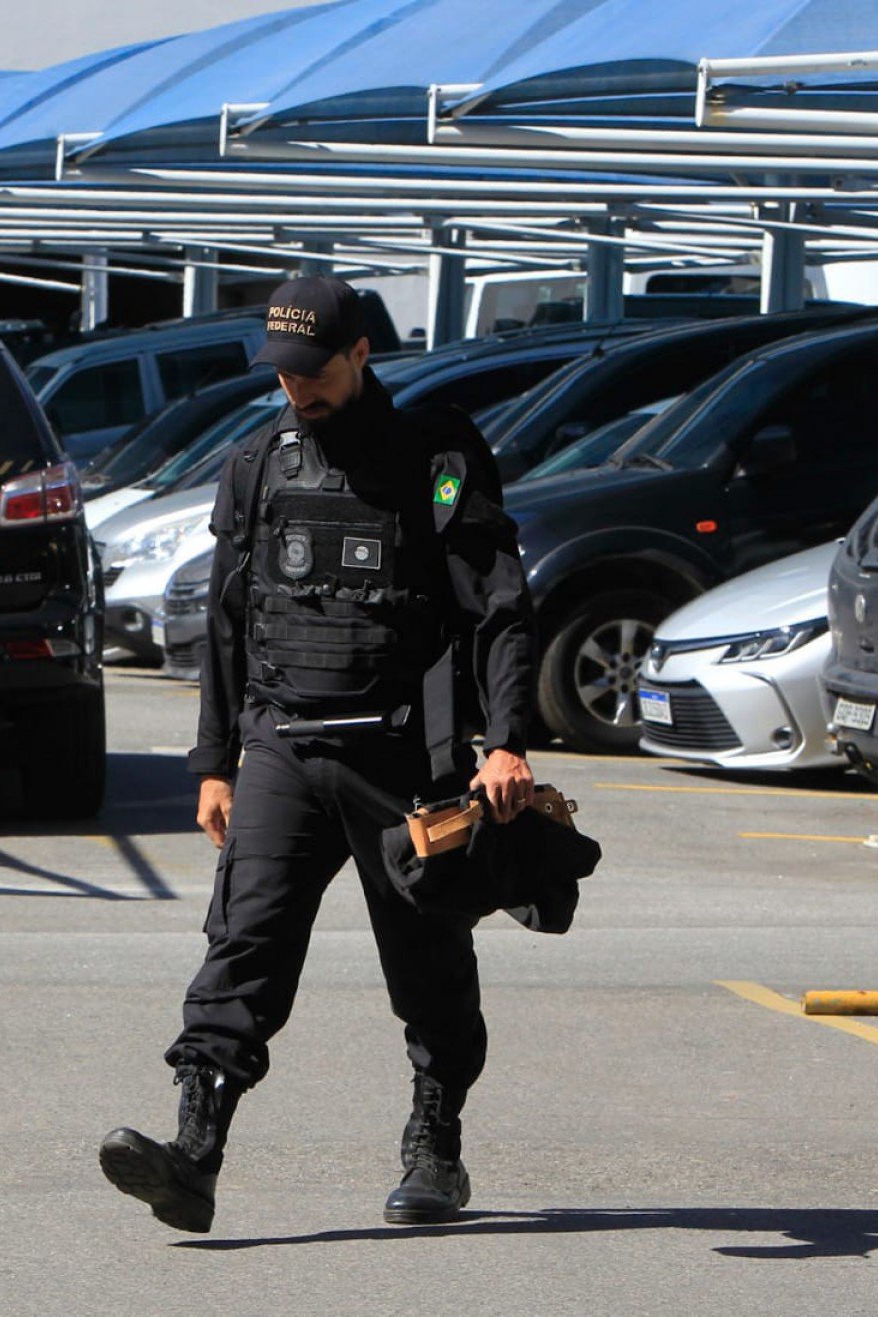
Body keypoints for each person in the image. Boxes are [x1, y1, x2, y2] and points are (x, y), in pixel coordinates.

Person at [98, 277, 538, 1233]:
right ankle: (193, 1159)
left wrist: (504, 742)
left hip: (399, 755)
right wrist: (212, 761)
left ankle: (437, 1142)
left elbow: (498, 604)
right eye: (283, 373)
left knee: (427, 960)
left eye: (313, 370)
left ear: (361, 354)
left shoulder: (437, 459)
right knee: (241, 947)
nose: (296, 388)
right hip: (283, 750)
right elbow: (227, 622)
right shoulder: (258, 463)